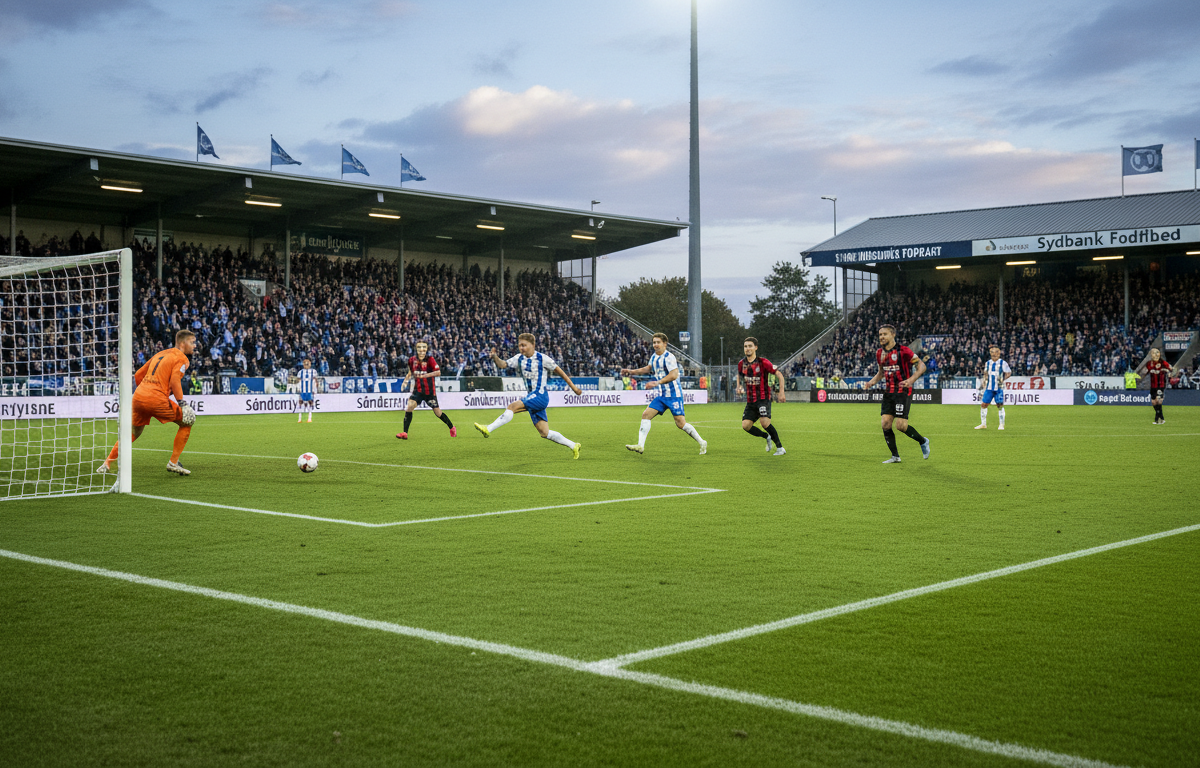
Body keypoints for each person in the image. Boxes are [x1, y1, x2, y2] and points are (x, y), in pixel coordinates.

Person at [98, 329, 198, 476]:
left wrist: (146, 391)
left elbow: (138, 375)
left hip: (139, 396)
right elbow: (175, 380)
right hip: (156, 399)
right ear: (182, 343)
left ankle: (107, 463)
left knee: (134, 432)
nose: (195, 345)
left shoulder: (160, 354)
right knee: (188, 421)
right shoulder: (182, 359)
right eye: (192, 342)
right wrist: (181, 403)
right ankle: (174, 462)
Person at [474, 333, 582, 458]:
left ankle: (488, 429)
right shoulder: (519, 358)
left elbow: (560, 372)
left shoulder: (542, 358)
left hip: (540, 395)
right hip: (532, 397)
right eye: (520, 345)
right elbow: (503, 365)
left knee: (512, 407)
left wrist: (574, 388)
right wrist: (495, 357)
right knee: (544, 433)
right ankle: (573, 445)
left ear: (533, 345)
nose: (521, 348)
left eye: (524, 345)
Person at [619, 332, 707, 455]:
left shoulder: (669, 357)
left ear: (665, 344)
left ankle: (702, 442)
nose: (655, 345)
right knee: (646, 415)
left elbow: (674, 375)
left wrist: (657, 382)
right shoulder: (654, 357)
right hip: (662, 395)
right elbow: (648, 368)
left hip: (674, 395)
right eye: (654, 342)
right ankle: (640, 445)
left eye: (658, 342)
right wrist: (631, 371)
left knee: (680, 423)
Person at [862, 324, 930, 463]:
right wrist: (870, 383)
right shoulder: (879, 353)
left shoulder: (904, 351)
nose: (882, 337)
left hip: (903, 391)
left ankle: (923, 441)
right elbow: (881, 373)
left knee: (901, 426)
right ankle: (895, 456)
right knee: (885, 424)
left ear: (893, 334)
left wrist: (911, 380)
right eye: (880, 335)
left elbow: (922, 366)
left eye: (885, 334)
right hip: (889, 392)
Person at [736, 337, 786, 456]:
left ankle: (780, 448)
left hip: (763, 398)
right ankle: (766, 436)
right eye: (745, 346)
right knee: (746, 426)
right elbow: (739, 375)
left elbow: (779, 375)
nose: (747, 348)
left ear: (756, 347)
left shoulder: (763, 362)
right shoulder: (741, 364)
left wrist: (781, 392)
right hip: (750, 401)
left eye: (750, 346)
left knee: (764, 423)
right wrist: (739, 386)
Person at [397, 341, 456, 439]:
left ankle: (451, 427)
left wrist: (426, 375)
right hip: (418, 391)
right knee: (409, 407)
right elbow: (411, 372)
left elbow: (438, 372)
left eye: (423, 349)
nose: (421, 351)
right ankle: (405, 433)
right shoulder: (412, 360)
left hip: (429, 392)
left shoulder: (430, 360)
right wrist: (405, 381)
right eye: (419, 349)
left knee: (437, 412)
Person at [976, 345, 1011, 430]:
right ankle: (983, 424)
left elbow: (1008, 373)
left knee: (999, 405)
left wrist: (1003, 379)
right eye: (992, 352)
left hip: (999, 388)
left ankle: (1001, 424)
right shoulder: (988, 363)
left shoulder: (1003, 363)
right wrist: (984, 382)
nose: (994, 354)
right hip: (989, 388)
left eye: (996, 352)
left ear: (999, 353)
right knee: (983, 405)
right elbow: (985, 373)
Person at [1138, 348, 1176, 425]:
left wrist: (1170, 374)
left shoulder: (1163, 363)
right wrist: (1140, 379)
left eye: (1157, 353)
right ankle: (1161, 418)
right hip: (1153, 386)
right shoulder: (1149, 364)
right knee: (1154, 402)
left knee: (1159, 401)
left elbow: (1173, 369)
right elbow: (1145, 372)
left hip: (1161, 385)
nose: (1155, 355)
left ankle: (1157, 419)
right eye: (1153, 353)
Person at [297, 357, 317, 423]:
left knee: (310, 402)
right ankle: (299, 419)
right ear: (303, 364)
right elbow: (299, 381)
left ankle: (309, 418)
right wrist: (298, 388)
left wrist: (314, 389)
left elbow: (314, 380)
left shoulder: (313, 371)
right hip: (302, 390)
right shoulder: (300, 372)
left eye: (307, 364)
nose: (306, 365)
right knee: (300, 403)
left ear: (310, 364)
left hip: (309, 390)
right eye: (305, 364)